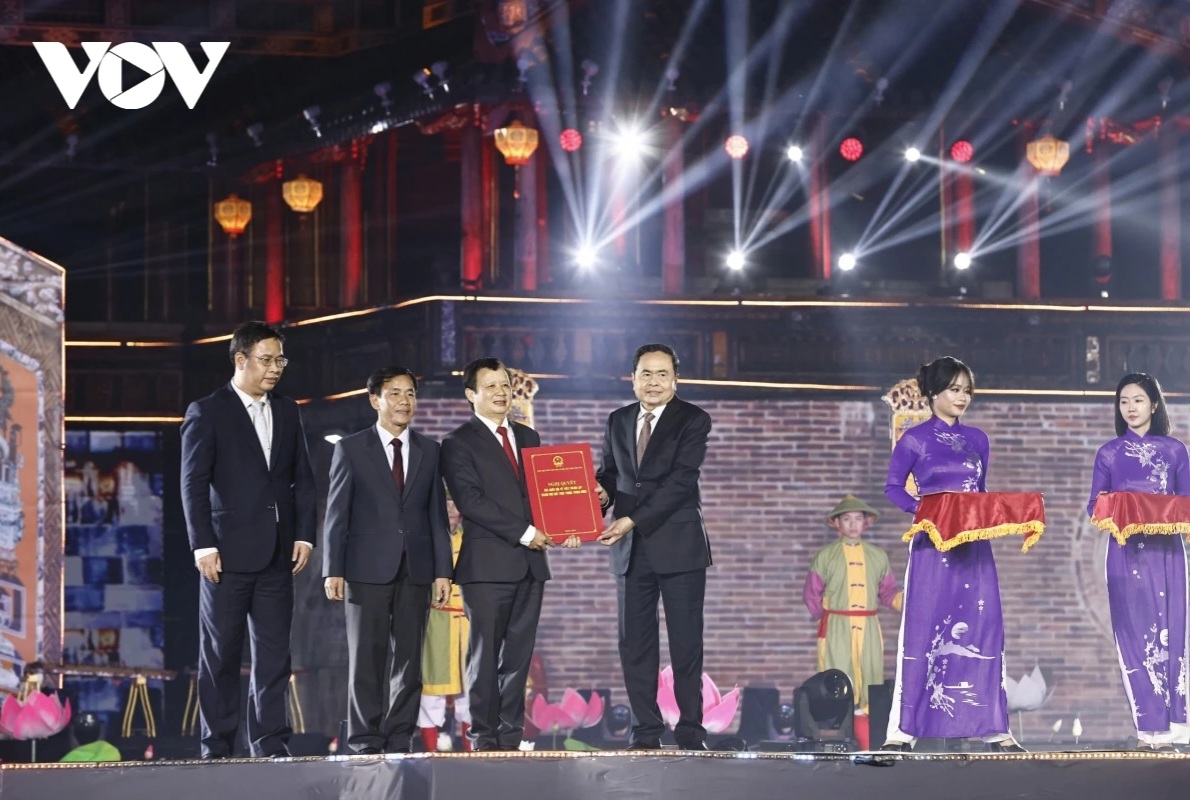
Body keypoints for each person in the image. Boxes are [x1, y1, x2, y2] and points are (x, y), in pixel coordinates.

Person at [180, 320, 316, 759]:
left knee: (274, 656)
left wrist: (305, 535)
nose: (276, 368)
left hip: (279, 554)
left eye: (280, 360)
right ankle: (216, 745)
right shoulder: (207, 411)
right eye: (267, 359)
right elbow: (192, 484)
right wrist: (203, 545)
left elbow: (303, 479)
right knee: (221, 655)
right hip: (225, 555)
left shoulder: (288, 410)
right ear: (241, 359)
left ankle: (270, 742)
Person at [879, 356, 1023, 753]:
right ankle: (902, 732)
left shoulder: (978, 440)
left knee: (983, 627)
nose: (962, 397)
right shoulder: (914, 440)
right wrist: (924, 512)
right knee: (923, 628)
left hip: (974, 548)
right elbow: (892, 487)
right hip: (933, 547)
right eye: (954, 389)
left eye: (967, 391)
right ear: (933, 392)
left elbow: (980, 491)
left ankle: (995, 728)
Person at [441, 357, 580, 751]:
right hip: (486, 567)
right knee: (484, 656)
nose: (501, 393)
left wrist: (566, 526)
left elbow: (541, 496)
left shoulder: (528, 436)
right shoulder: (457, 443)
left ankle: (511, 735)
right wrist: (526, 532)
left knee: (519, 657)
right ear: (471, 395)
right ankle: (484, 737)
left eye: (505, 385)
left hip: (531, 566)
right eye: (491, 386)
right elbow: (471, 501)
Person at [322, 366, 453, 755]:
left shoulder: (430, 450)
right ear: (375, 400)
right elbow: (337, 514)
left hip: (417, 568)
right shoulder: (351, 449)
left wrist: (443, 571)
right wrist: (333, 569)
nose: (404, 401)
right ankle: (365, 739)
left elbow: (437, 516)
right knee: (367, 658)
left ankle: (399, 737)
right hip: (365, 570)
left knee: (409, 661)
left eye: (410, 393)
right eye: (395, 393)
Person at [596, 343, 713, 751]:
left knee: (686, 643)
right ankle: (645, 732)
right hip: (630, 550)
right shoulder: (618, 420)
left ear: (676, 379)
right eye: (646, 374)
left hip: (679, 546)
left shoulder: (693, 419)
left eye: (663, 374)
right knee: (635, 644)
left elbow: (681, 482)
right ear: (633, 379)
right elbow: (610, 474)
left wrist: (631, 519)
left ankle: (690, 731)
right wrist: (600, 496)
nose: (654, 382)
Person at [1087, 373, 1190, 751]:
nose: (1130, 408)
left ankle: (1178, 728)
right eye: (1124, 401)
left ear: (1155, 404)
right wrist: (1122, 505)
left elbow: (1187, 502)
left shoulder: (1176, 450)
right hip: (1125, 552)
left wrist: (1158, 511)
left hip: (1167, 553)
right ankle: (1148, 731)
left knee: (1174, 633)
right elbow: (1093, 505)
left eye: (1138, 400)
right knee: (1133, 637)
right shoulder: (1109, 453)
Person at [802, 494, 902, 750]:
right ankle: (835, 743)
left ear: (866, 523)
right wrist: (827, 619)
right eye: (847, 519)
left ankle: (869, 745)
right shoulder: (826, 555)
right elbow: (812, 593)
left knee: (870, 681)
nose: (853, 524)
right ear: (837, 523)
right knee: (835, 680)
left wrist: (907, 602)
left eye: (858, 519)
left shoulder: (877, 556)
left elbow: (888, 592)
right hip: (837, 625)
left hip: (868, 627)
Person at [417, 494, 472, 752]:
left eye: (454, 503)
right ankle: (430, 754)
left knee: (471, 690)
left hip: (469, 623)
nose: (450, 509)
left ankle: (473, 754)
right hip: (436, 623)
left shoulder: (472, 537)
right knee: (432, 688)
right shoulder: (425, 539)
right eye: (445, 502)